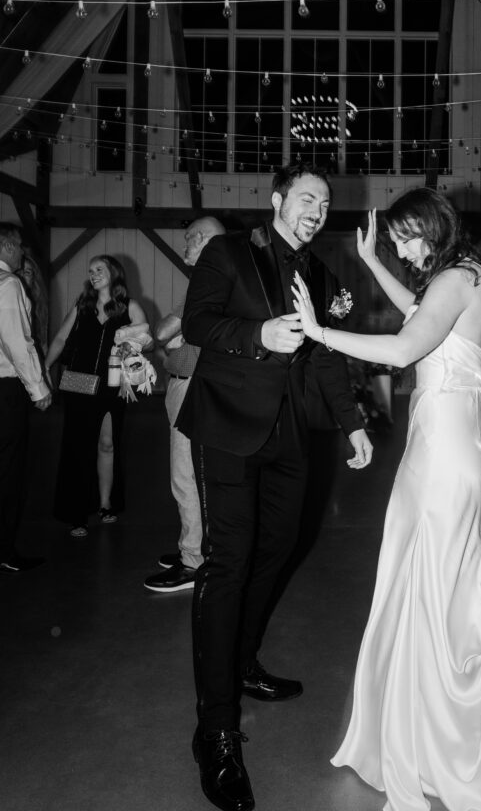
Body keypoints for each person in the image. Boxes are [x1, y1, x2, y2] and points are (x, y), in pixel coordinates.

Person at [292, 189, 481, 811]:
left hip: (445, 460)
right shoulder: (456, 279)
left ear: (439, 228)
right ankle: (421, 730)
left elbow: (404, 347)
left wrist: (319, 331)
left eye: (412, 236)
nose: (406, 249)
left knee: (441, 600)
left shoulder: (461, 278)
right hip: (432, 451)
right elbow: (421, 311)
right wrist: (372, 263)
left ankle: (452, 749)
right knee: (412, 585)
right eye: (398, 239)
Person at [176, 163, 373, 811]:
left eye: (325, 201)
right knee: (228, 561)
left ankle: (242, 658)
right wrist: (257, 335)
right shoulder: (230, 251)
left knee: (278, 549)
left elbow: (323, 356)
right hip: (226, 428)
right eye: (307, 197)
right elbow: (198, 322)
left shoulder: (315, 273)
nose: (317, 208)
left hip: (291, 438)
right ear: (277, 200)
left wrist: (351, 424)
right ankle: (216, 730)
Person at [144, 216, 226, 594]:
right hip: (190, 383)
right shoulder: (220, 281)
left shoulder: (206, 285)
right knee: (195, 474)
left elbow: (162, 332)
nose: (184, 247)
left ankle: (193, 561)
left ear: (207, 240)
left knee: (185, 476)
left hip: (190, 387)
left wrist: (161, 344)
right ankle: (195, 549)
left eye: (190, 239)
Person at [45, 255, 151, 537]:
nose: (93, 274)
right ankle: (76, 512)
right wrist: (43, 367)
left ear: (113, 273)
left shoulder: (130, 306)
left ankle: (105, 503)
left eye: (99, 269)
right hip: (79, 383)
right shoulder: (83, 304)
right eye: (90, 271)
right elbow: (60, 339)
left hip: (114, 384)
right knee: (77, 447)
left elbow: (147, 341)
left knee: (107, 444)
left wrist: (135, 342)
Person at [0, 223, 52, 573]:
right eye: (18, 246)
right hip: (4, 389)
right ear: (5, 245)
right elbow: (17, 341)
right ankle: (4, 550)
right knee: (7, 471)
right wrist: (39, 388)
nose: (22, 252)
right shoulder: (9, 284)